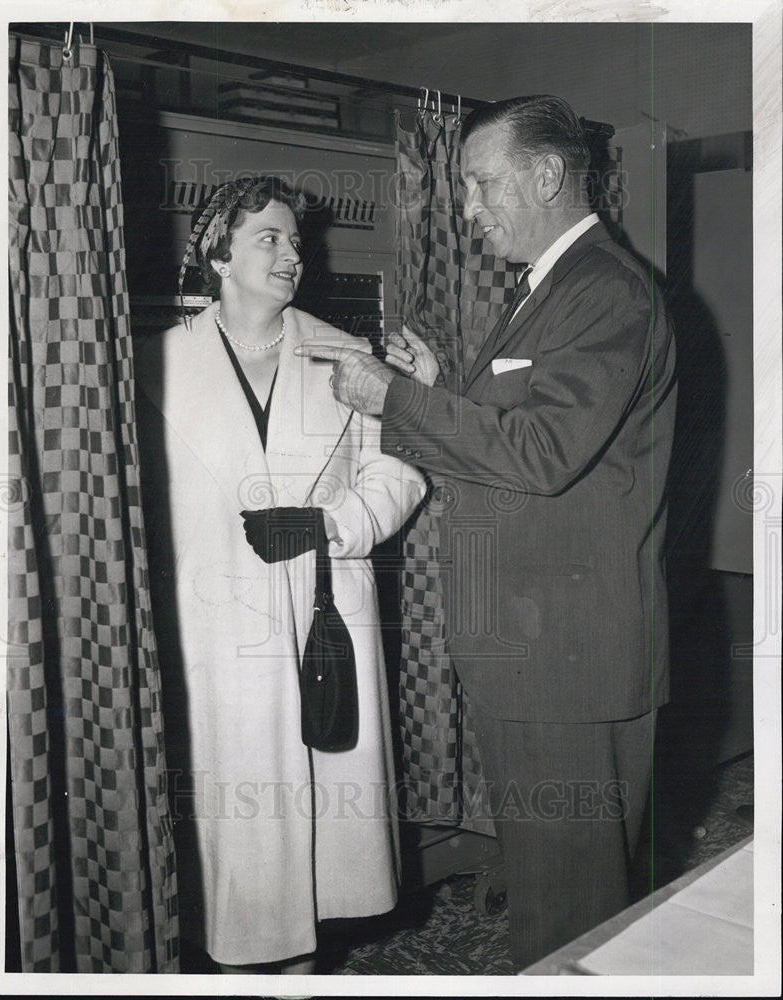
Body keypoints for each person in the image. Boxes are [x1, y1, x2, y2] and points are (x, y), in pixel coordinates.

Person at [295, 96, 677, 970]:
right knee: (559, 888)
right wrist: (441, 390)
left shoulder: (601, 287)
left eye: (479, 184)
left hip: (567, 659)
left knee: (570, 909)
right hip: (538, 649)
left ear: (546, 176)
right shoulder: (552, 287)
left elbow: (542, 455)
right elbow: (531, 429)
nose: (466, 207)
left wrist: (398, 398)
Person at [135, 176, 425, 973]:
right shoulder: (148, 365)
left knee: (324, 829)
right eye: (269, 237)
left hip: (321, 615)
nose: (292, 253)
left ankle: (301, 967)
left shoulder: (344, 355)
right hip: (211, 626)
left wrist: (338, 524)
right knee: (237, 835)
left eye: (297, 241)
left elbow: (399, 472)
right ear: (216, 255)